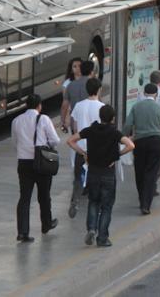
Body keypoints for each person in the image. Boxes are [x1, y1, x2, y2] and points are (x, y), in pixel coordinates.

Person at [67, 105, 134, 247]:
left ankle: (91, 229)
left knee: (93, 202)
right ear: (113, 118)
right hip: (108, 174)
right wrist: (116, 156)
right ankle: (102, 238)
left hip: (93, 173)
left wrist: (83, 153)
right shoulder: (114, 132)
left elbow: (70, 141)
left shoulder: (91, 130)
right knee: (107, 206)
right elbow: (130, 145)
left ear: (100, 116)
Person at [12, 95, 60, 242]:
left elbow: (15, 142)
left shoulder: (16, 120)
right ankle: (46, 223)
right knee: (44, 195)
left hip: (24, 162)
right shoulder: (44, 119)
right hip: (41, 162)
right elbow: (55, 140)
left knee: (24, 198)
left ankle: (23, 232)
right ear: (39, 106)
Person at [122, 84, 160, 215]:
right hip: (156, 142)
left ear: (144, 93)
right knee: (151, 172)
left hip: (140, 142)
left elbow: (128, 125)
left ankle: (141, 199)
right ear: (156, 94)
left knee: (139, 171)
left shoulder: (136, 107)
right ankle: (146, 204)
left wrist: (126, 136)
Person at [67, 78, 105, 218]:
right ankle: (95, 205)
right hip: (96, 150)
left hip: (81, 148)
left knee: (78, 176)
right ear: (99, 89)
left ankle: (75, 200)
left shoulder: (78, 106)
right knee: (96, 178)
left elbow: (75, 127)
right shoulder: (102, 107)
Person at [59, 57, 83, 133]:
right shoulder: (67, 84)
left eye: (79, 66)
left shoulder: (88, 80)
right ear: (71, 69)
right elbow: (65, 104)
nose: (78, 68)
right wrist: (63, 121)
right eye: (75, 66)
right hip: (74, 115)